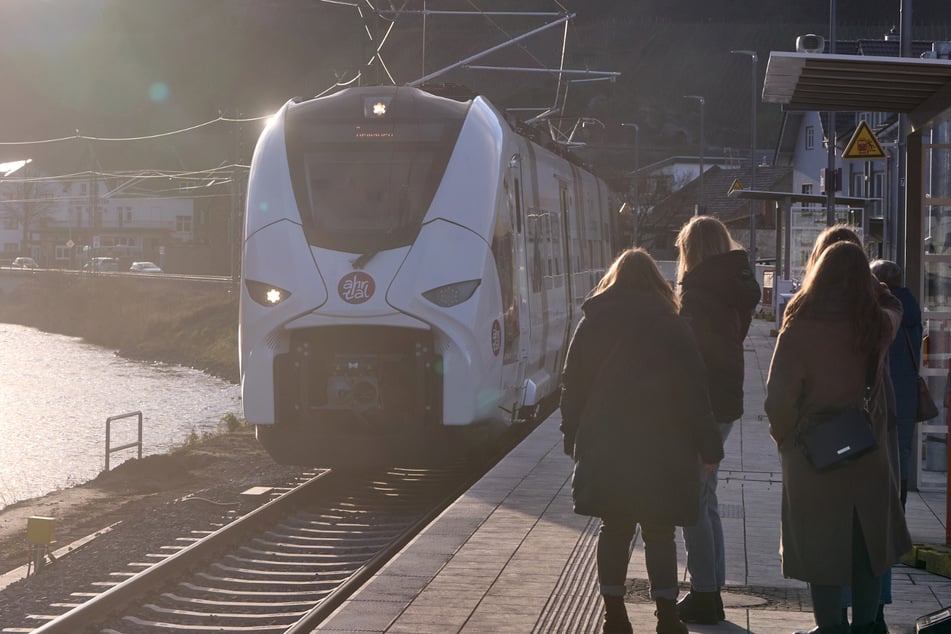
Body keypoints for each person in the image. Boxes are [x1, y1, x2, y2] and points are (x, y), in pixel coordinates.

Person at [560, 247, 724, 634]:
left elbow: (572, 385)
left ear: (613, 280)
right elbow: (695, 391)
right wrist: (709, 446)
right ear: (656, 281)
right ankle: (667, 616)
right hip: (663, 447)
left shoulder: (593, 322)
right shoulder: (673, 324)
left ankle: (614, 615)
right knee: (659, 531)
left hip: (607, 443)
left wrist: (572, 437)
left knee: (614, 527)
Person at [764, 241, 912, 634]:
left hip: (813, 457)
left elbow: (777, 401)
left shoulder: (797, 328)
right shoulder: (875, 326)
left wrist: (789, 442)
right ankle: (865, 625)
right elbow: (895, 305)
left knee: (821, 548)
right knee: (867, 548)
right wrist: (873, 285)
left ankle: (830, 627)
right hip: (867, 451)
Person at [672, 215, 761, 624]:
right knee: (705, 497)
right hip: (725, 402)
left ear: (690, 250)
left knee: (693, 501)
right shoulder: (732, 289)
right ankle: (711, 588)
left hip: (703, 405)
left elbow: (690, 360)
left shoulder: (698, 295)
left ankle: (705, 593)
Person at [870, 259, 924, 509]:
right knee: (902, 451)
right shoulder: (912, 308)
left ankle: (885, 509)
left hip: (883, 392)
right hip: (907, 392)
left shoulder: (884, 314)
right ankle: (899, 507)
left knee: (880, 451)